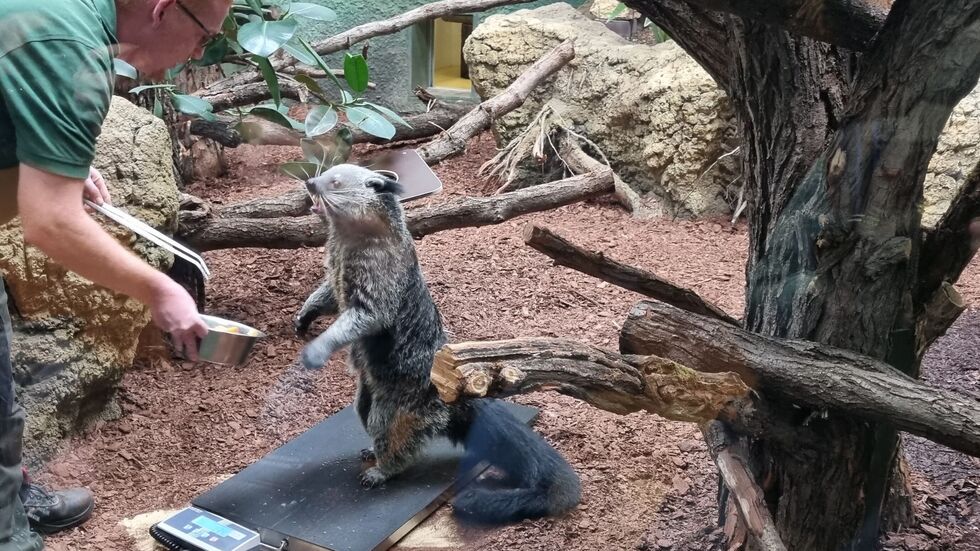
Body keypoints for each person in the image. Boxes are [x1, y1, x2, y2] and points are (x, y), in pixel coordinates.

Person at [0, 0, 231, 547]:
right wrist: (160, 288)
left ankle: (13, 495)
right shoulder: (70, 49)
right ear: (162, 10)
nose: (199, 53)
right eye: (203, 36)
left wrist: (52, 161)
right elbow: (51, 223)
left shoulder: (72, 16)